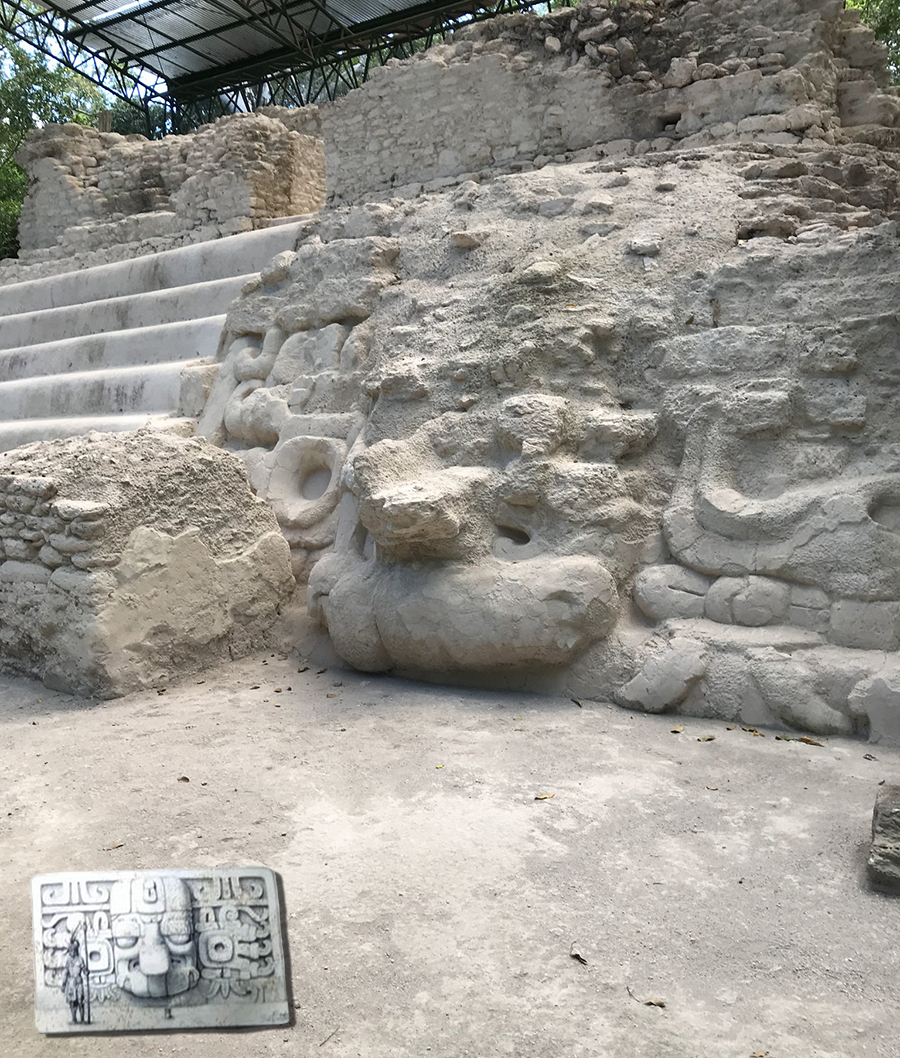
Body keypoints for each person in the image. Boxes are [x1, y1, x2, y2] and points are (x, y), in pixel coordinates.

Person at [61, 937, 86, 1024]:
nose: (72, 952)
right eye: (70, 950)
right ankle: (74, 1018)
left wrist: (86, 971)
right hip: (71, 983)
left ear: (76, 951)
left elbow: (84, 970)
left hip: (78, 982)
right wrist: (63, 984)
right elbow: (65, 972)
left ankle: (82, 1019)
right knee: (72, 1002)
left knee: (80, 1001)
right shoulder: (68, 961)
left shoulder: (80, 959)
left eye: (73, 950)